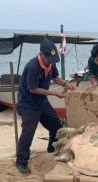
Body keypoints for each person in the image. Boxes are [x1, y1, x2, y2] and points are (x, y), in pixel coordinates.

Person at [16, 39, 75, 174]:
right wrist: (53, 93)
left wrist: (66, 84)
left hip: (42, 102)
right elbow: (33, 89)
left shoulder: (50, 64)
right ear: (41, 54)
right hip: (28, 103)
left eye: (52, 59)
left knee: (56, 126)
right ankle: (21, 162)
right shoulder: (33, 67)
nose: (50, 61)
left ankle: (51, 148)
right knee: (28, 132)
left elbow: (55, 78)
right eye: (48, 58)